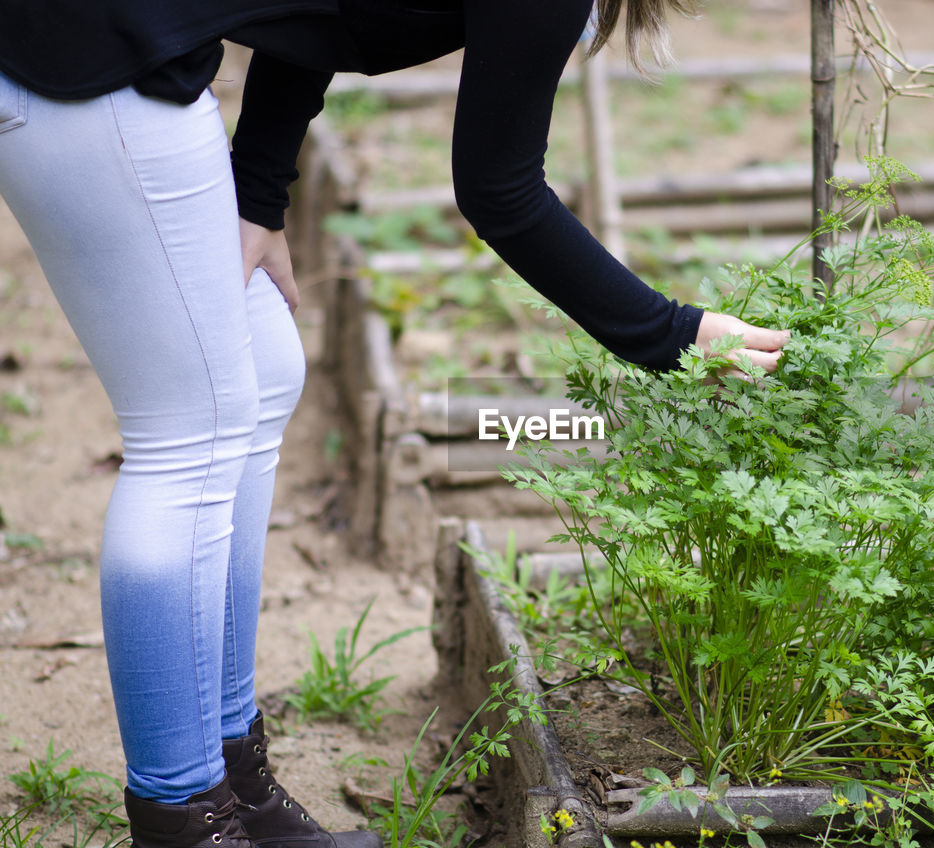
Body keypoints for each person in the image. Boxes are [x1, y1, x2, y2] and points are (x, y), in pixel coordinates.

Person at [0, 1, 789, 846]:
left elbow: (311, 19)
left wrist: (259, 195)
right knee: (187, 432)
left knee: (264, 369)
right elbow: (501, 192)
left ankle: (233, 776)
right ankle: (186, 816)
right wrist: (676, 334)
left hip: (106, 50)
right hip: (82, 56)